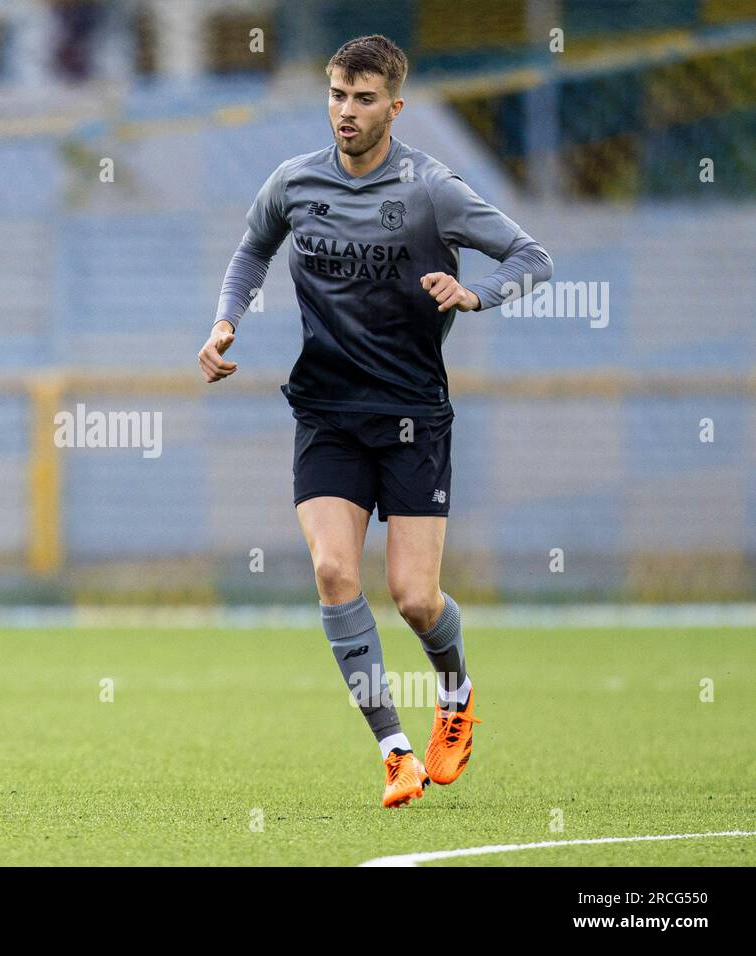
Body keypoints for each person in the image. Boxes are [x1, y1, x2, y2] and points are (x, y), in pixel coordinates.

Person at [198, 35, 553, 808]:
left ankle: (455, 699)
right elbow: (251, 250)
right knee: (332, 572)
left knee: (416, 599)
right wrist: (226, 321)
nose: (346, 112)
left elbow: (532, 259)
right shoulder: (295, 182)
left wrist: (475, 295)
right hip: (326, 412)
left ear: (395, 106)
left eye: (363, 99)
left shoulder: (433, 191)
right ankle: (395, 750)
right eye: (336, 95)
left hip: (411, 416)